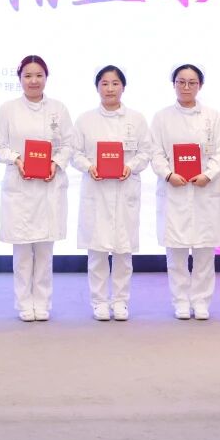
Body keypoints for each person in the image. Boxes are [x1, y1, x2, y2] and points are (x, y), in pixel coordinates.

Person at [0, 55, 74, 322]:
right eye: (28, 76)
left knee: (44, 251)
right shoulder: (8, 109)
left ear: (46, 78)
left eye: (39, 75)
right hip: (20, 187)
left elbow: (68, 144)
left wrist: (55, 163)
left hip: (48, 187)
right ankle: (23, 303)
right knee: (22, 252)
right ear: (19, 79)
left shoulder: (58, 109)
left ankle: (42, 302)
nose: (33, 81)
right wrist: (16, 159)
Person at [74, 65, 154, 322]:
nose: (110, 89)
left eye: (115, 83)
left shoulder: (136, 119)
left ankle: (120, 301)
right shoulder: (85, 120)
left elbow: (146, 152)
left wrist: (130, 166)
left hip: (124, 189)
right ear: (97, 87)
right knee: (97, 252)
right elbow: (75, 153)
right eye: (105, 83)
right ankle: (99, 301)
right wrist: (89, 167)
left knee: (123, 252)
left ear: (123, 87)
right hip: (96, 190)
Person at [150, 64, 220, 321]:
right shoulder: (162, 118)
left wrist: (209, 174)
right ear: (173, 84)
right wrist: (168, 174)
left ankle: (202, 301)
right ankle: (181, 301)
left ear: (200, 86)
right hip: (175, 190)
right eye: (181, 82)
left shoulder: (213, 117)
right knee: (176, 252)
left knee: (205, 251)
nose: (186, 87)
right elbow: (155, 153)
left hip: (205, 189)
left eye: (192, 82)